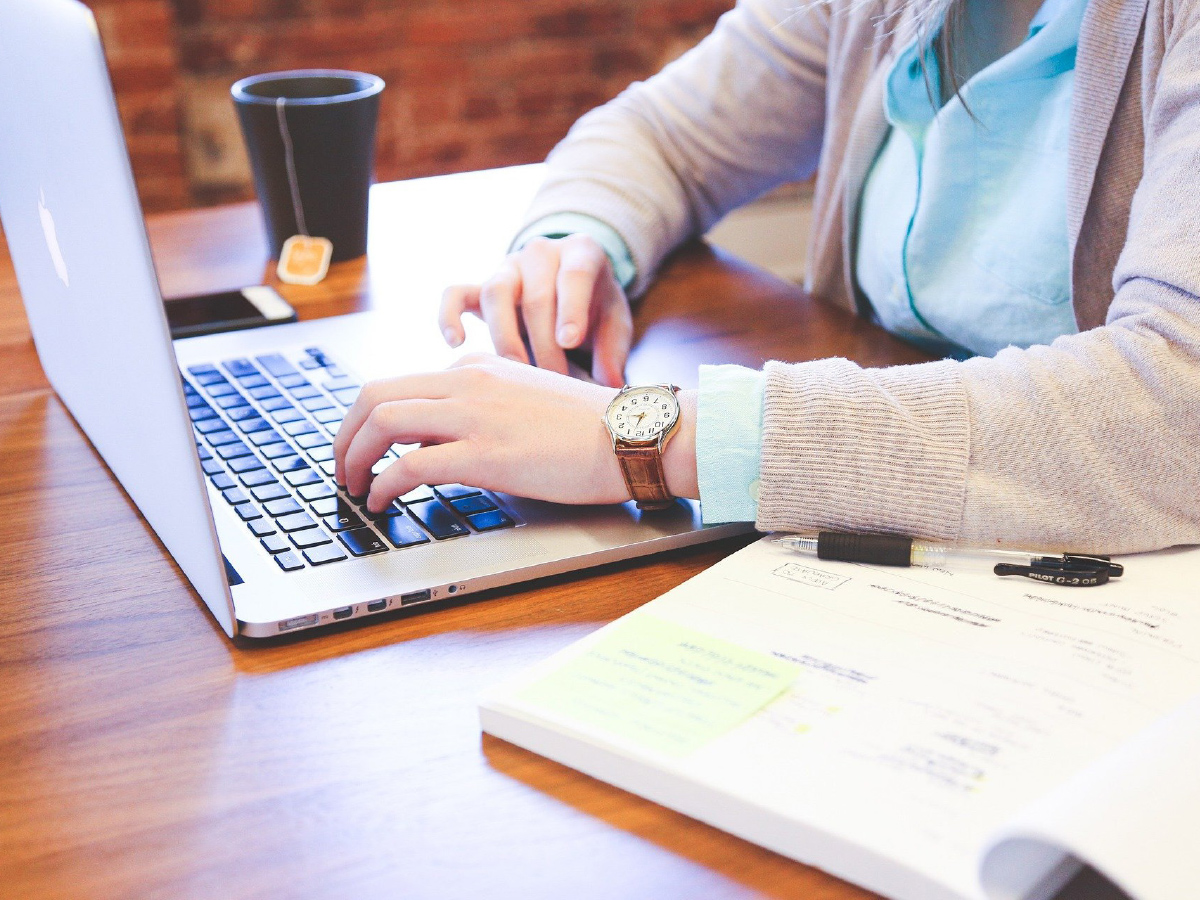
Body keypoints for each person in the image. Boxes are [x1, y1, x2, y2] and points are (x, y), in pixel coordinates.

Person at [334, 0, 1200, 554]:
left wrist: (647, 438)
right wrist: (575, 241)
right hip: (897, 543)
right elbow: (662, 132)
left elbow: (1175, 406)